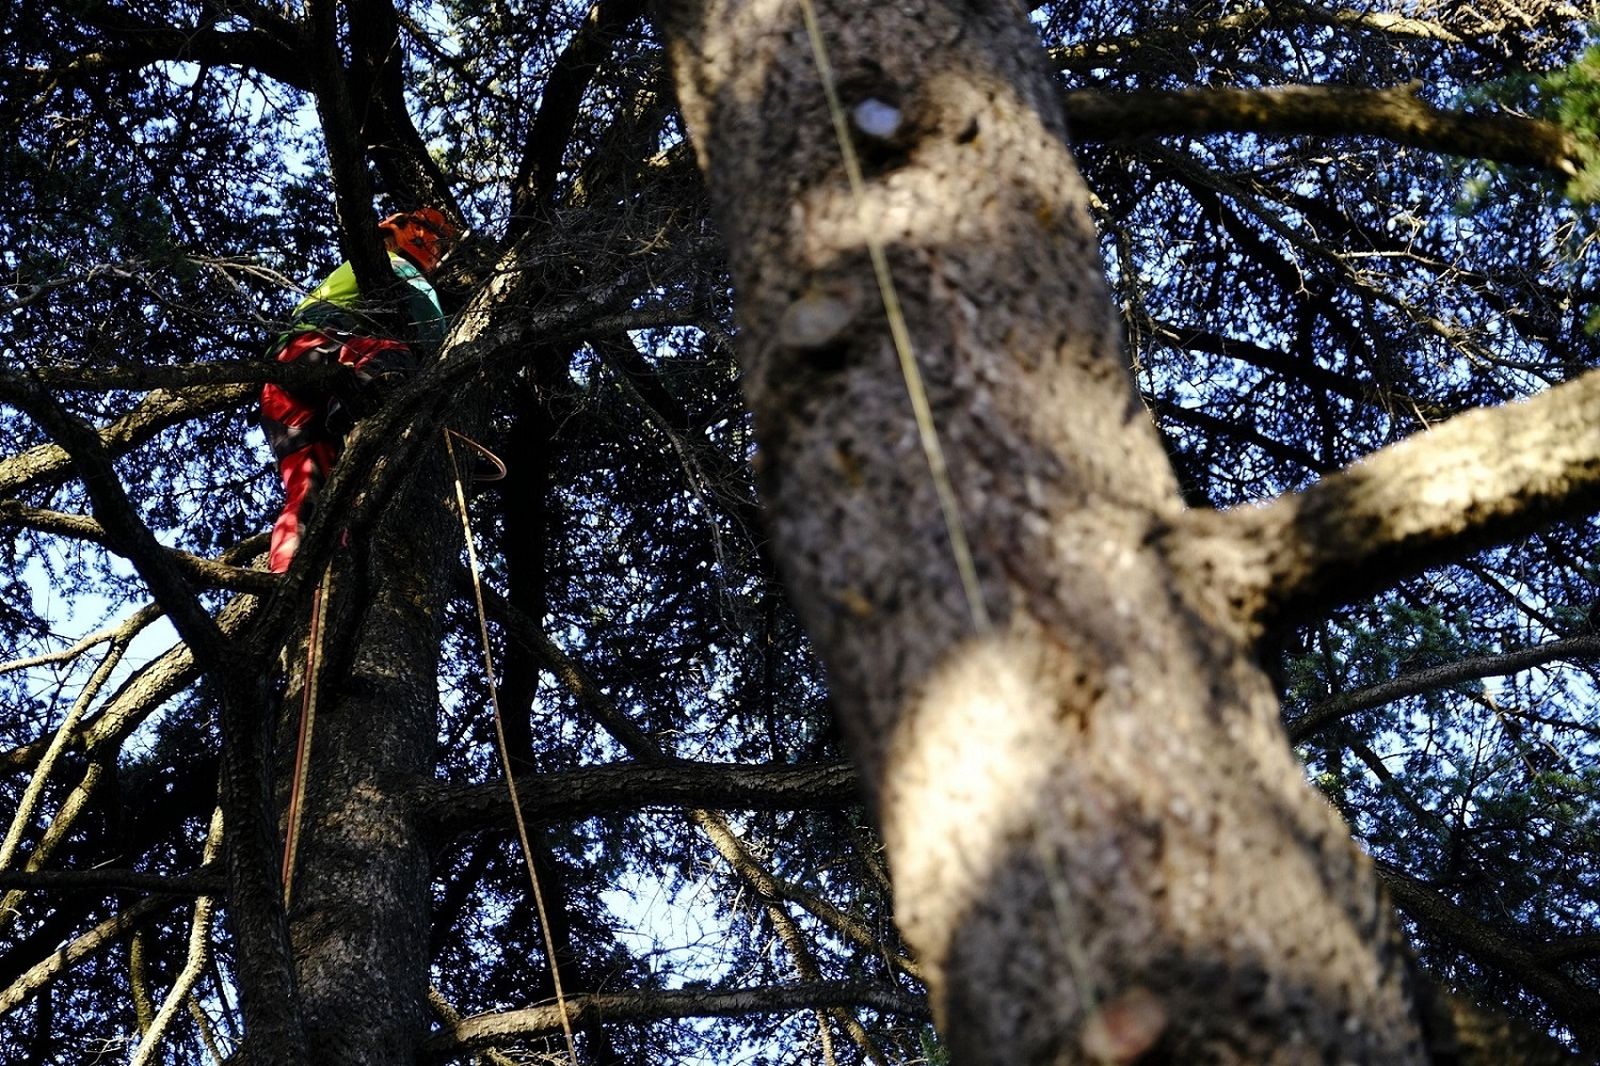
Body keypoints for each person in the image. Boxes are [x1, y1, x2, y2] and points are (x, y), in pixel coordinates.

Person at [259, 208, 458, 573]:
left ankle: (287, 579)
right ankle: (355, 404)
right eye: (438, 240)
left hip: (283, 384)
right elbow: (430, 326)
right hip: (323, 350)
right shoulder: (395, 264)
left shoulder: (355, 269)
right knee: (393, 356)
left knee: (311, 495)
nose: (438, 249)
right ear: (414, 232)